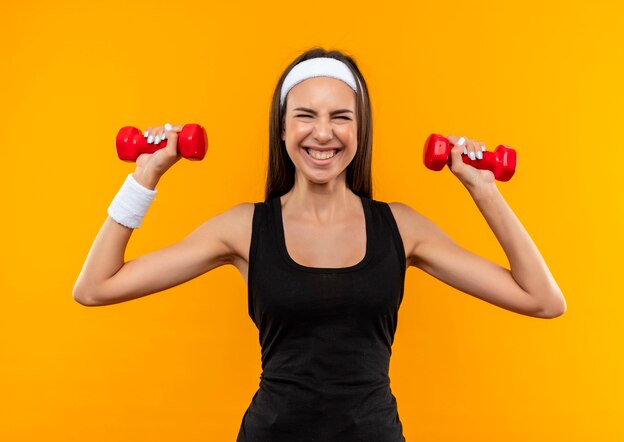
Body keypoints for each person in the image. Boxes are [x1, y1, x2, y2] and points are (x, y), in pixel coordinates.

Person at [73, 47, 566, 441]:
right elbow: (95, 286)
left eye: (341, 117)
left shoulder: (402, 228)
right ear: (283, 128)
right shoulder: (244, 229)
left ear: (360, 129)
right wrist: (145, 178)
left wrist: (484, 189)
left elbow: (541, 300)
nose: (323, 133)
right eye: (305, 116)